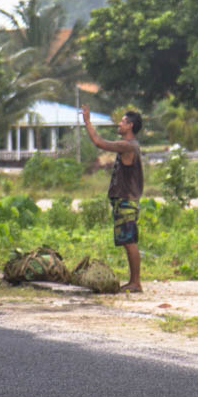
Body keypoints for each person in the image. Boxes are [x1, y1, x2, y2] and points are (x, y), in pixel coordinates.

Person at [82, 104, 144, 293]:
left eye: (123, 122)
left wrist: (87, 122)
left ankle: (135, 283)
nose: (119, 124)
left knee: (129, 241)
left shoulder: (127, 146)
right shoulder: (129, 146)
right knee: (128, 240)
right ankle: (134, 282)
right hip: (124, 200)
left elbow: (99, 142)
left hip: (126, 200)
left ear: (130, 126)